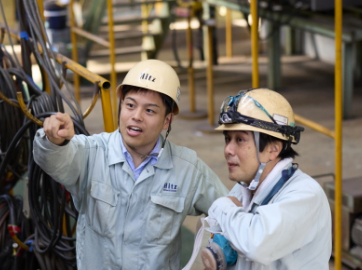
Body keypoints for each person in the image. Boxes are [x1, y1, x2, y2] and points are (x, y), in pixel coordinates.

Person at [33, 59, 228, 269]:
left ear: (167, 121)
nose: (136, 116)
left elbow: (230, 214)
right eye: (130, 105)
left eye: (150, 111)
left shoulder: (187, 169)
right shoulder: (92, 153)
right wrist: (54, 140)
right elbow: (54, 159)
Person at [201, 88, 332, 269]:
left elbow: (256, 243)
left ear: (273, 149)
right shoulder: (243, 188)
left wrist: (223, 208)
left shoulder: (306, 195)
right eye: (227, 138)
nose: (228, 150)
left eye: (240, 140)